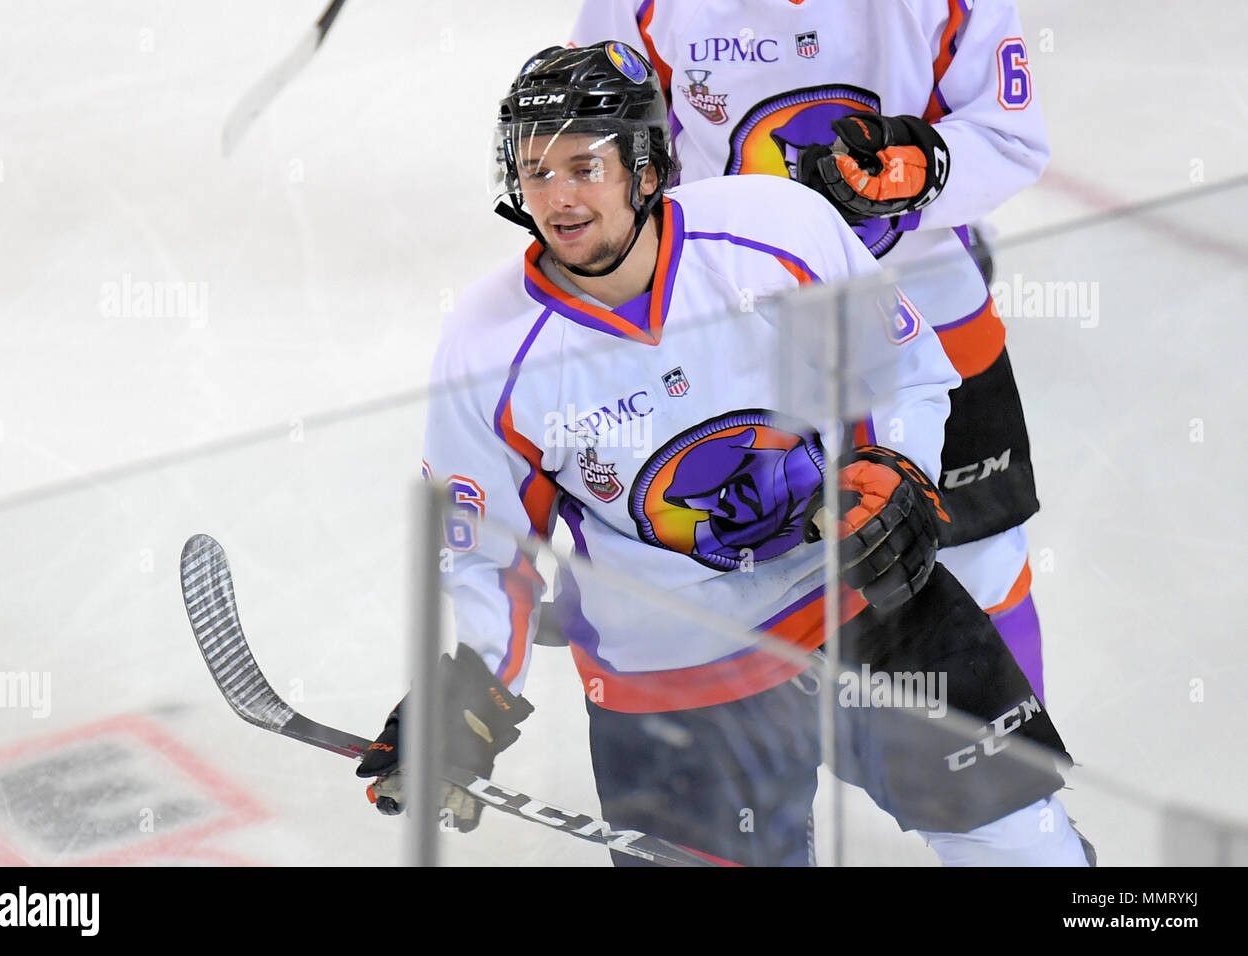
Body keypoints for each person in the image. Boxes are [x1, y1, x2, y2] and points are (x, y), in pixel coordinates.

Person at [356, 42, 1089, 866]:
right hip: (677, 678)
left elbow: (902, 370)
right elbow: (492, 555)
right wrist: (474, 693)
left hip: (861, 604)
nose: (556, 197)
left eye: (583, 167)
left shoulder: (772, 229)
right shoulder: (488, 352)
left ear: (643, 169)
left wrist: (895, 470)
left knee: (1023, 847)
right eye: (534, 170)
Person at [569, 0, 1052, 701]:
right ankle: (764, 797)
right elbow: (599, 153)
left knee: (981, 565)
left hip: (929, 314)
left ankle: (1024, 798)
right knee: (759, 598)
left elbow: (1011, 139)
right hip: (740, 344)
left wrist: (923, 171)